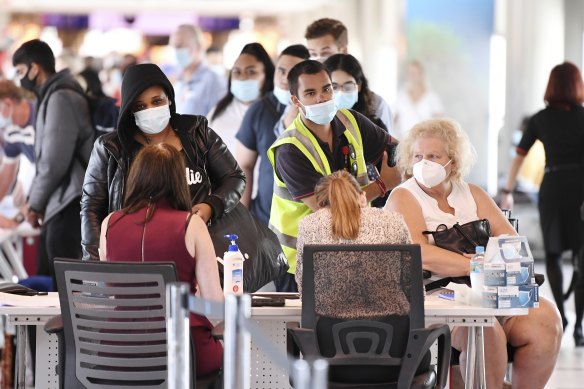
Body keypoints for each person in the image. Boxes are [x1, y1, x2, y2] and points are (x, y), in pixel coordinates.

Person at [384, 118, 562, 389]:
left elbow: (510, 242)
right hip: (434, 298)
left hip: (489, 291)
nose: (424, 163)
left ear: (452, 162)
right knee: (484, 329)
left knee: (547, 318)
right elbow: (422, 254)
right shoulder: (403, 197)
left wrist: (481, 265)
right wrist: (475, 265)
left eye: (433, 156)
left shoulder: (474, 194)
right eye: (418, 156)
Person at [81, 63, 245, 261]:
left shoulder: (196, 133)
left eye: (157, 101)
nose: (150, 110)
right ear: (129, 110)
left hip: (194, 249)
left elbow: (234, 177)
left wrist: (212, 205)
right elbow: (91, 207)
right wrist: (96, 263)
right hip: (133, 255)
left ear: (169, 99)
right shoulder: (110, 148)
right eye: (140, 106)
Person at [268, 60, 401, 292]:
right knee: (303, 329)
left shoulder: (351, 121)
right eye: (311, 93)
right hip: (299, 262)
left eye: (327, 89)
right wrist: (383, 184)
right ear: (296, 101)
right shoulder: (290, 149)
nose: (322, 98)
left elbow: (398, 152)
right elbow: (330, 210)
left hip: (353, 251)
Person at [99, 143, 223, 379]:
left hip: (118, 350)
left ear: (136, 176)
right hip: (183, 351)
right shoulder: (191, 224)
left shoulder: (109, 224)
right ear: (178, 180)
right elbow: (214, 302)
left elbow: (113, 293)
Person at [501, 62, 584, 345]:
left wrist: (507, 189)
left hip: (553, 188)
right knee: (581, 258)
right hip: (581, 189)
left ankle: (562, 313)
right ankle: (580, 327)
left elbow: (519, 156)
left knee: (552, 253)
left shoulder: (540, 119)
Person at [12, 39, 94, 281]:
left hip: (68, 203)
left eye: (20, 71)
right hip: (62, 202)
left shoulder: (60, 98)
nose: (20, 78)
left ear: (35, 68)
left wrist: (34, 204)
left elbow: (52, 161)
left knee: (62, 288)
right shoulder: (53, 95)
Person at [296, 170, 411, 297]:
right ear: (363, 197)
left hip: (327, 315)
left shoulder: (308, 225)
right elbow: (410, 279)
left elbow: (304, 284)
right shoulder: (394, 221)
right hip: (390, 314)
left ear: (320, 205)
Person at [235, 44, 309, 226]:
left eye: (292, 72)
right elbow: (243, 166)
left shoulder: (318, 112)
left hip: (309, 221)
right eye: (281, 71)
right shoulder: (259, 110)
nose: (284, 78)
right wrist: (241, 221)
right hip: (264, 220)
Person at [305, 19, 393, 134]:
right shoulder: (305, 99)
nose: (319, 60)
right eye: (313, 54)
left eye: (325, 53)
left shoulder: (375, 104)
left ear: (344, 51)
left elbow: (388, 145)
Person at [208, 43, 274, 153]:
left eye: (251, 72)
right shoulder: (219, 110)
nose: (242, 78)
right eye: (237, 72)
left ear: (266, 76)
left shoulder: (274, 113)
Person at [0, 80, 35, 228]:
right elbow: (7, 174)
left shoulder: (41, 119)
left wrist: (24, 212)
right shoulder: (11, 130)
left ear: (7, 103)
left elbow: (51, 172)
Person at [170, 24, 226, 116]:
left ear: (198, 46)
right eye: (174, 47)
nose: (176, 51)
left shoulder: (214, 82)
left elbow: (219, 123)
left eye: (180, 46)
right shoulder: (178, 82)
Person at [393, 60, 443, 140]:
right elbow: (393, 120)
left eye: (415, 72)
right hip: (404, 142)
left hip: (427, 142)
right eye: (410, 73)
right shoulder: (401, 97)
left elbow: (440, 122)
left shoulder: (432, 97)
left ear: (421, 74)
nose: (412, 75)